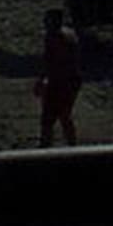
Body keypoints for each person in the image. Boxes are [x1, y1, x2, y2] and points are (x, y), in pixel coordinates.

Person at [36, 8, 82, 146]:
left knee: (49, 118)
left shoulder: (55, 37)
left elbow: (51, 61)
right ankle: (71, 145)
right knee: (63, 115)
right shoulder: (69, 35)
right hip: (70, 80)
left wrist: (42, 79)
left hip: (61, 81)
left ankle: (47, 146)